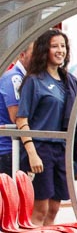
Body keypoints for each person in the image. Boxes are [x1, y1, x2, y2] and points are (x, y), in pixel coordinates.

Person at [16, 29, 77, 226]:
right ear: (45, 50)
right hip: (41, 149)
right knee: (39, 209)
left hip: (62, 151)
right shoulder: (34, 81)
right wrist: (31, 153)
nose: (60, 50)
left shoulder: (69, 81)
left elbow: (70, 121)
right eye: (55, 46)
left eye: (63, 46)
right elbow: (21, 119)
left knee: (54, 208)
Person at [0, 43, 33, 176]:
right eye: (35, 52)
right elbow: (17, 117)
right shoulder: (14, 78)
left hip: (15, 149)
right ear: (22, 54)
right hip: (8, 150)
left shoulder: (27, 78)